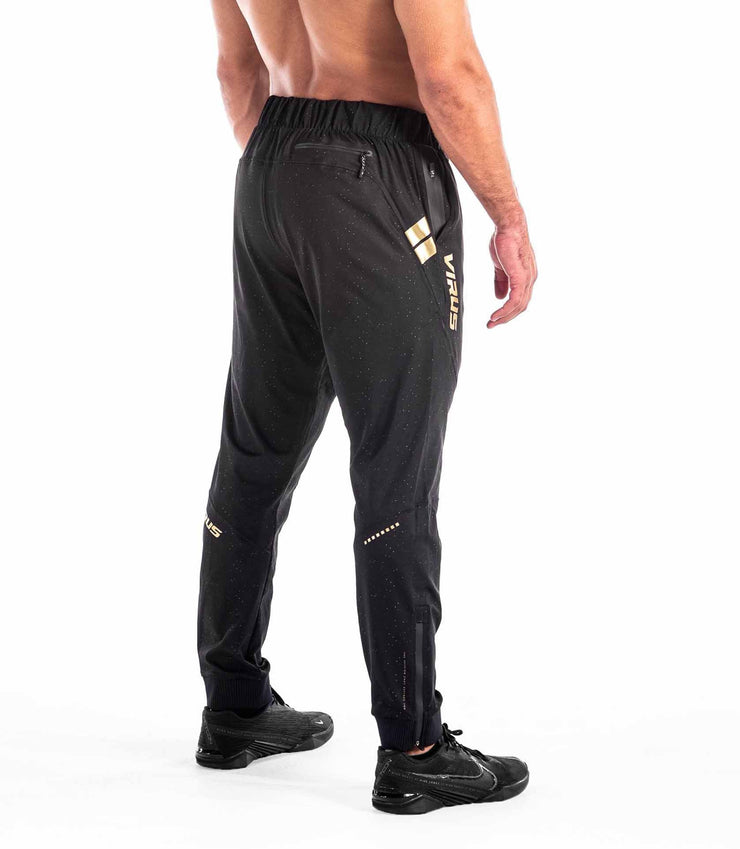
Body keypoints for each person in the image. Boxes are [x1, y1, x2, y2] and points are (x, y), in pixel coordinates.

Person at [196, 0, 537, 815]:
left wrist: (296, 178)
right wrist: (510, 217)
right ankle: (416, 747)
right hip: (378, 172)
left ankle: (234, 706)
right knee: (396, 467)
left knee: (255, 451)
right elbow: (449, 77)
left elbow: (237, 69)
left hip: (269, 165)